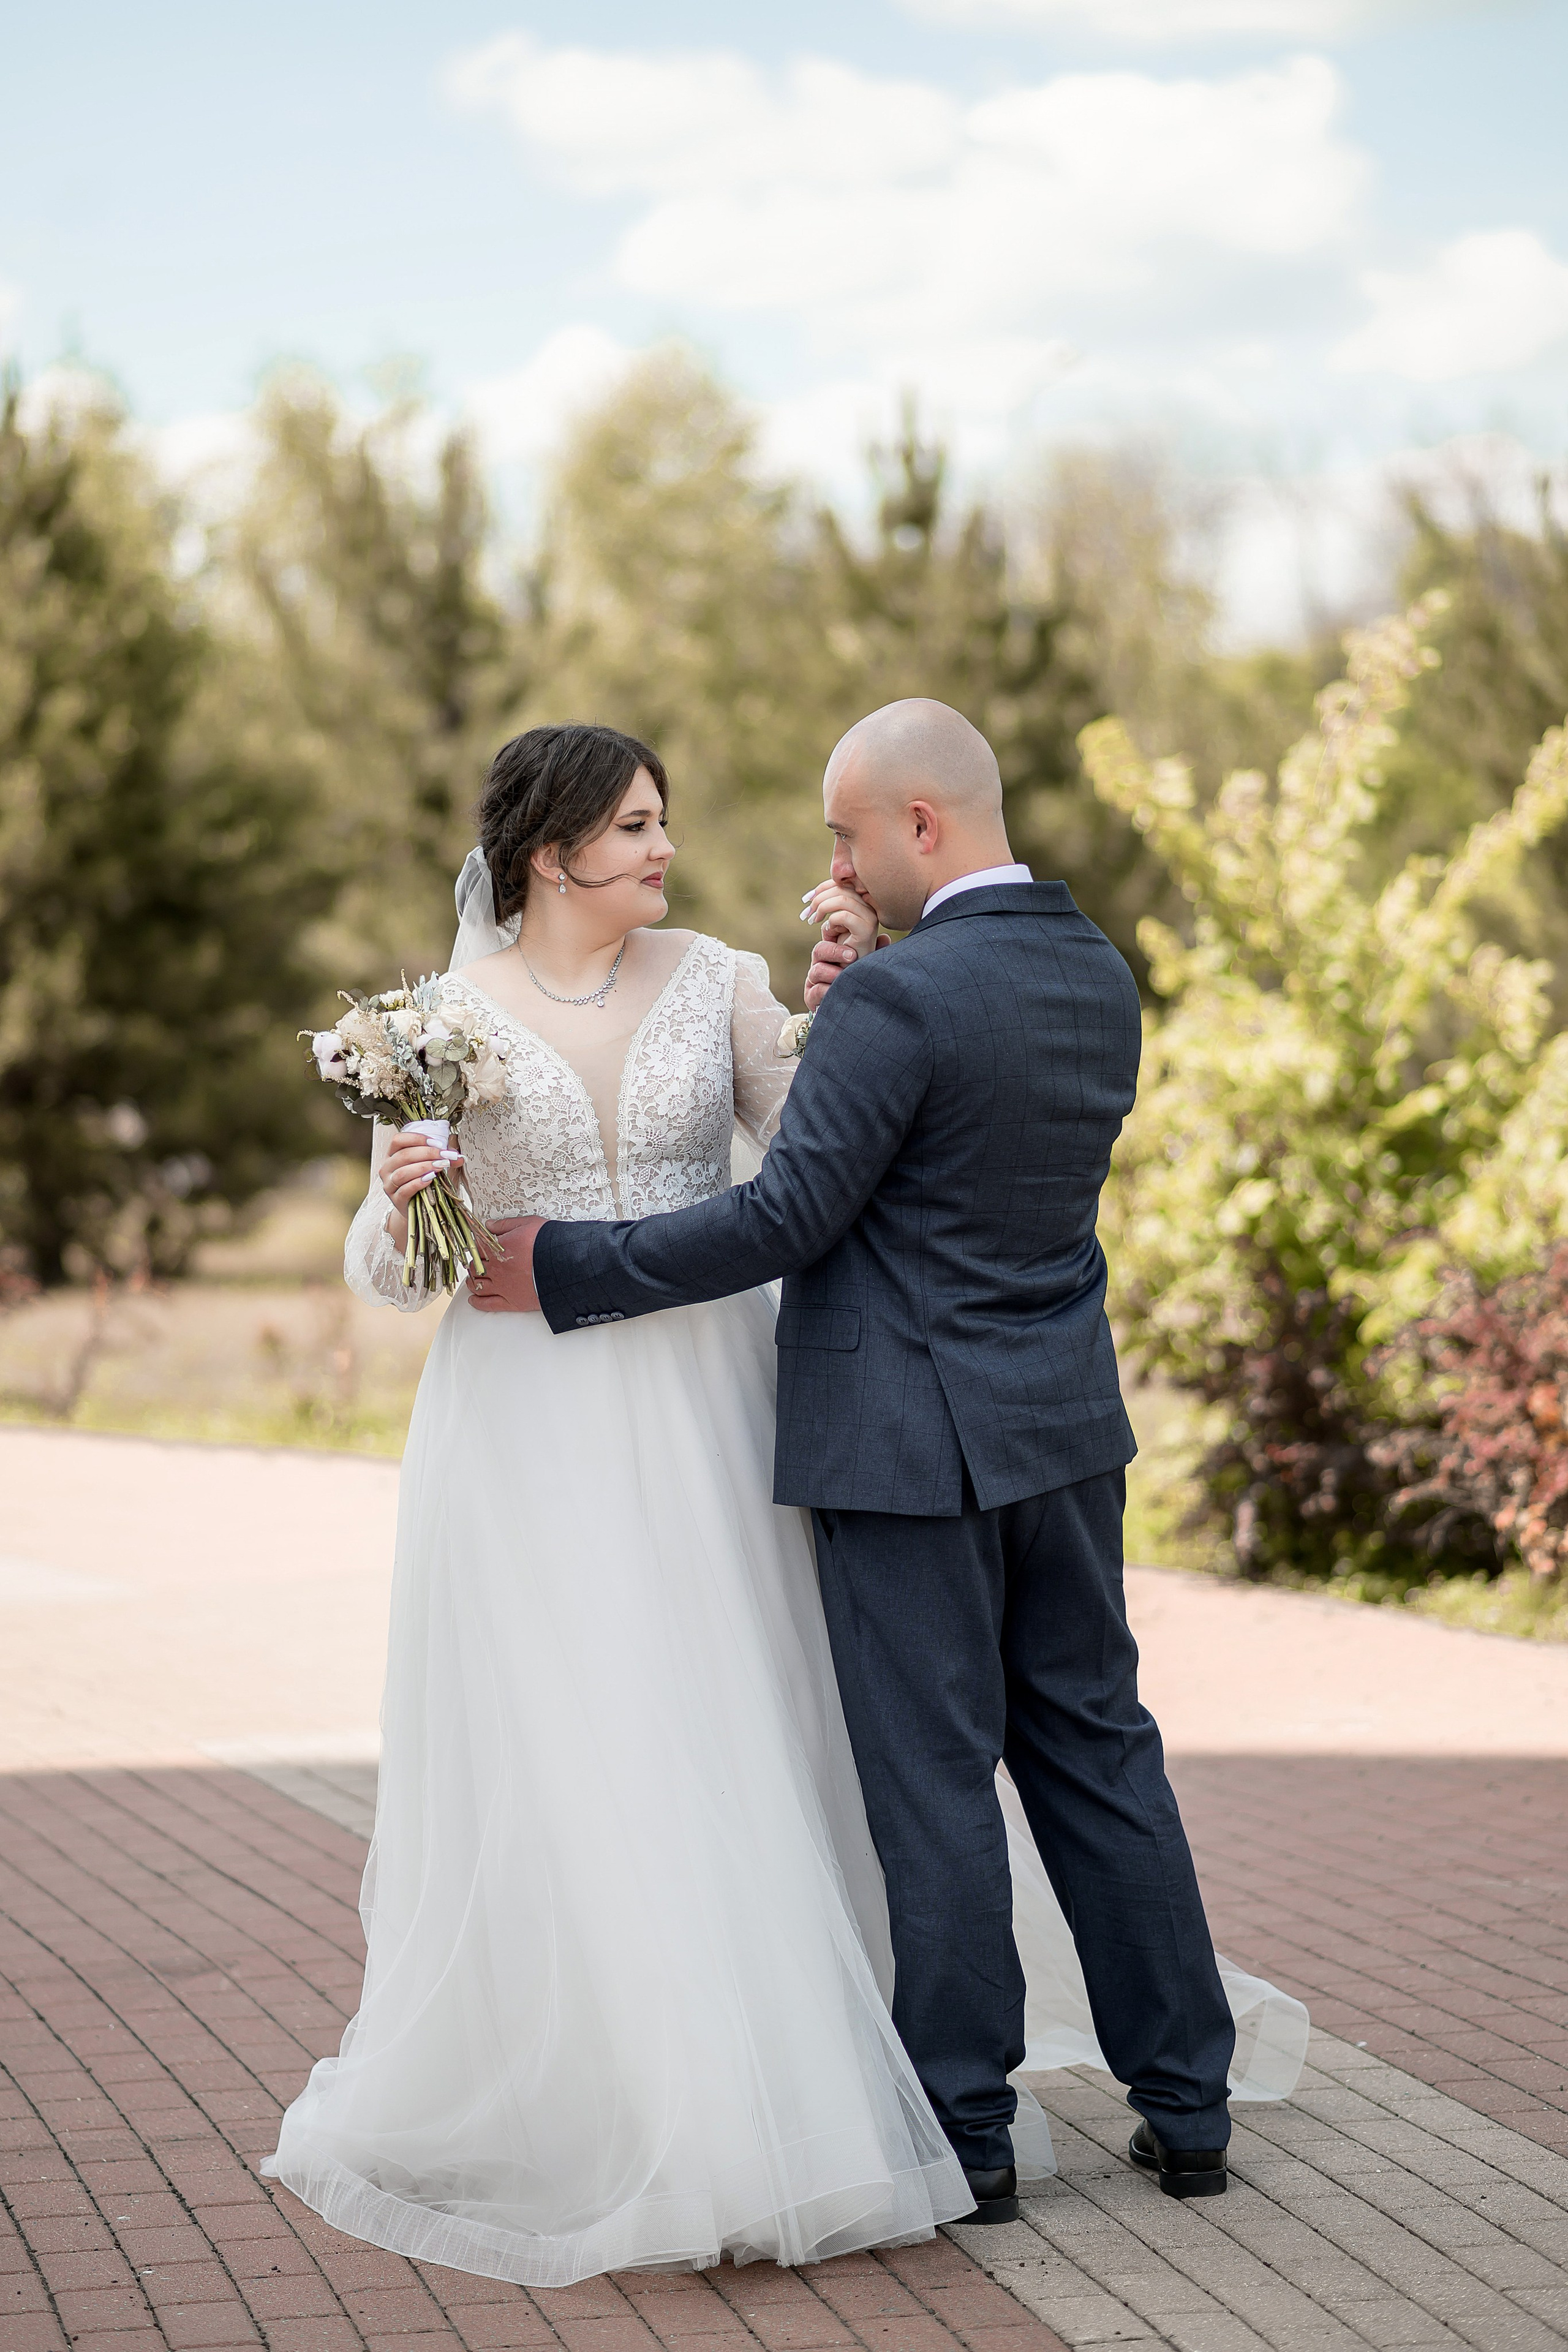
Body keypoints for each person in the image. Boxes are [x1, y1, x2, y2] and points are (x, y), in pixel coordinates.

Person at [475, 698, 1308, 2214]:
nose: (837, 870)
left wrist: (568, 1265)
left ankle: (967, 2133)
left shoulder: (901, 1000)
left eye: (848, 838)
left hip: (899, 1453)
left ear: (919, 823)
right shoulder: (1094, 969)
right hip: (1062, 1430)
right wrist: (858, 981)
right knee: (1098, 1753)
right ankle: (1188, 2106)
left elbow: (783, 1217)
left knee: (931, 1788)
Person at [264, 722, 997, 2286]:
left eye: (662, 821)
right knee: (582, 1737)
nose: (666, 850)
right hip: (525, 1428)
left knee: (738, 1714)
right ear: (550, 854)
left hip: (718, 1397)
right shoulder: (434, 1022)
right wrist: (401, 1206)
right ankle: (635, 2097)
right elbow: (395, 1277)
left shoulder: (721, 979)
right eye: (636, 827)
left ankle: (785, 2088)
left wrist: (838, 1007)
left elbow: (818, 1163)